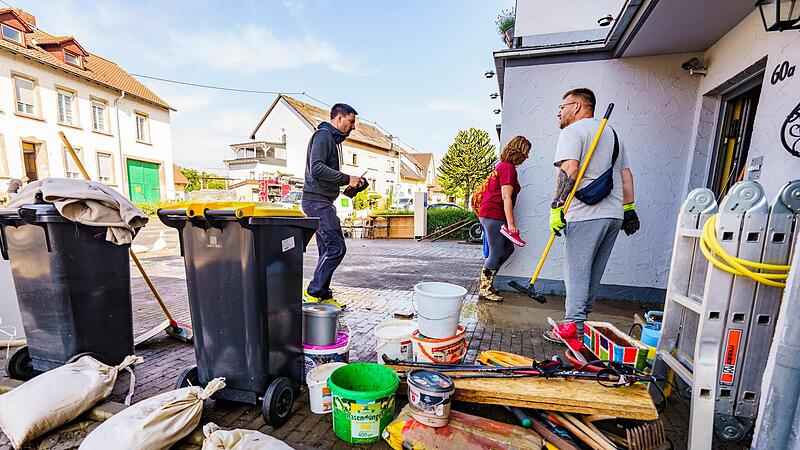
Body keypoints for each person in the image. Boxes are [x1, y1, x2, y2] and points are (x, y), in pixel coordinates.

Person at [543, 88, 640, 351]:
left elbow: (569, 169)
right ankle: (580, 324)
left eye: (562, 106)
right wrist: (629, 209)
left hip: (585, 214)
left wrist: (556, 206)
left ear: (577, 106)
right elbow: (626, 175)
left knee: (576, 272)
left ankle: (572, 328)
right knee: (593, 273)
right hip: (613, 216)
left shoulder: (573, 132)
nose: (559, 112)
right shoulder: (611, 133)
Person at [302, 103, 365, 309]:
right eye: (351, 121)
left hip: (323, 201)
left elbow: (326, 173)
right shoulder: (323, 136)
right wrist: (347, 178)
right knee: (337, 248)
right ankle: (312, 292)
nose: (353, 127)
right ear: (339, 119)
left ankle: (323, 293)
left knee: (326, 251)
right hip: (316, 202)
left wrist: (353, 184)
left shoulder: (333, 140)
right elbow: (317, 167)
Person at [477, 135, 531, 302]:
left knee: (508, 250)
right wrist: (511, 225)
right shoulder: (507, 168)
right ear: (518, 151)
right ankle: (484, 289)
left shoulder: (502, 166)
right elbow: (506, 197)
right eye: (525, 152)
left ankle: (488, 283)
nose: (527, 156)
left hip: (491, 214)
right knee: (497, 251)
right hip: (494, 214)